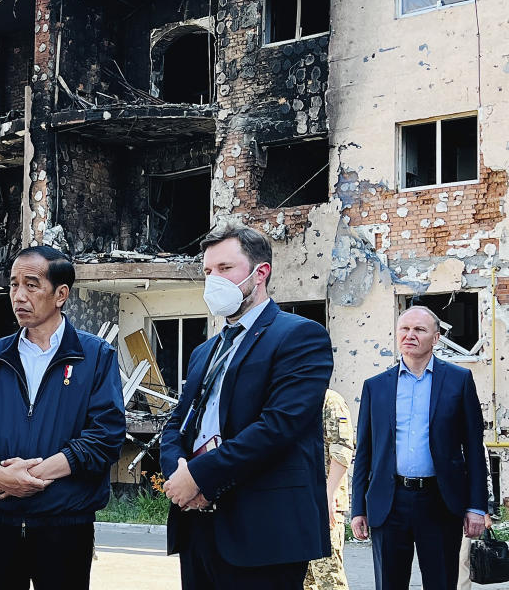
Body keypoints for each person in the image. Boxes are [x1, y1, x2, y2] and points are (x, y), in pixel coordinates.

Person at [160, 224, 333, 590]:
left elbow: (279, 427)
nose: (213, 281)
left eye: (225, 269)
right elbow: (177, 425)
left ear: (261, 273)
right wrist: (180, 476)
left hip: (264, 532)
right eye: (208, 272)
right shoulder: (204, 351)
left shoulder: (300, 336)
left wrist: (201, 476)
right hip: (198, 525)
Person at [0, 245, 126, 590]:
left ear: (60, 294)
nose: (18, 295)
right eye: (14, 285)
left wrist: (30, 476)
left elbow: (106, 436)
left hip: (65, 523)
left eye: (31, 285)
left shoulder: (94, 356)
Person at [351, 305, 488, 590]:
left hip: (439, 500)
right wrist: (358, 508)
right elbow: (364, 450)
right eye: (405, 328)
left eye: (419, 330)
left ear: (436, 338)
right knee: (389, 584)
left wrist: (476, 506)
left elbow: (474, 448)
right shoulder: (375, 386)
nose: (410, 335)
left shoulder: (458, 381)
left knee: (441, 582)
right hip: (389, 501)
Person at [304, 389, 354, 590]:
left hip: (324, 503)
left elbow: (342, 450)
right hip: (298, 502)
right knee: (304, 580)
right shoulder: (292, 399)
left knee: (328, 578)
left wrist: (329, 495)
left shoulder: (330, 401)